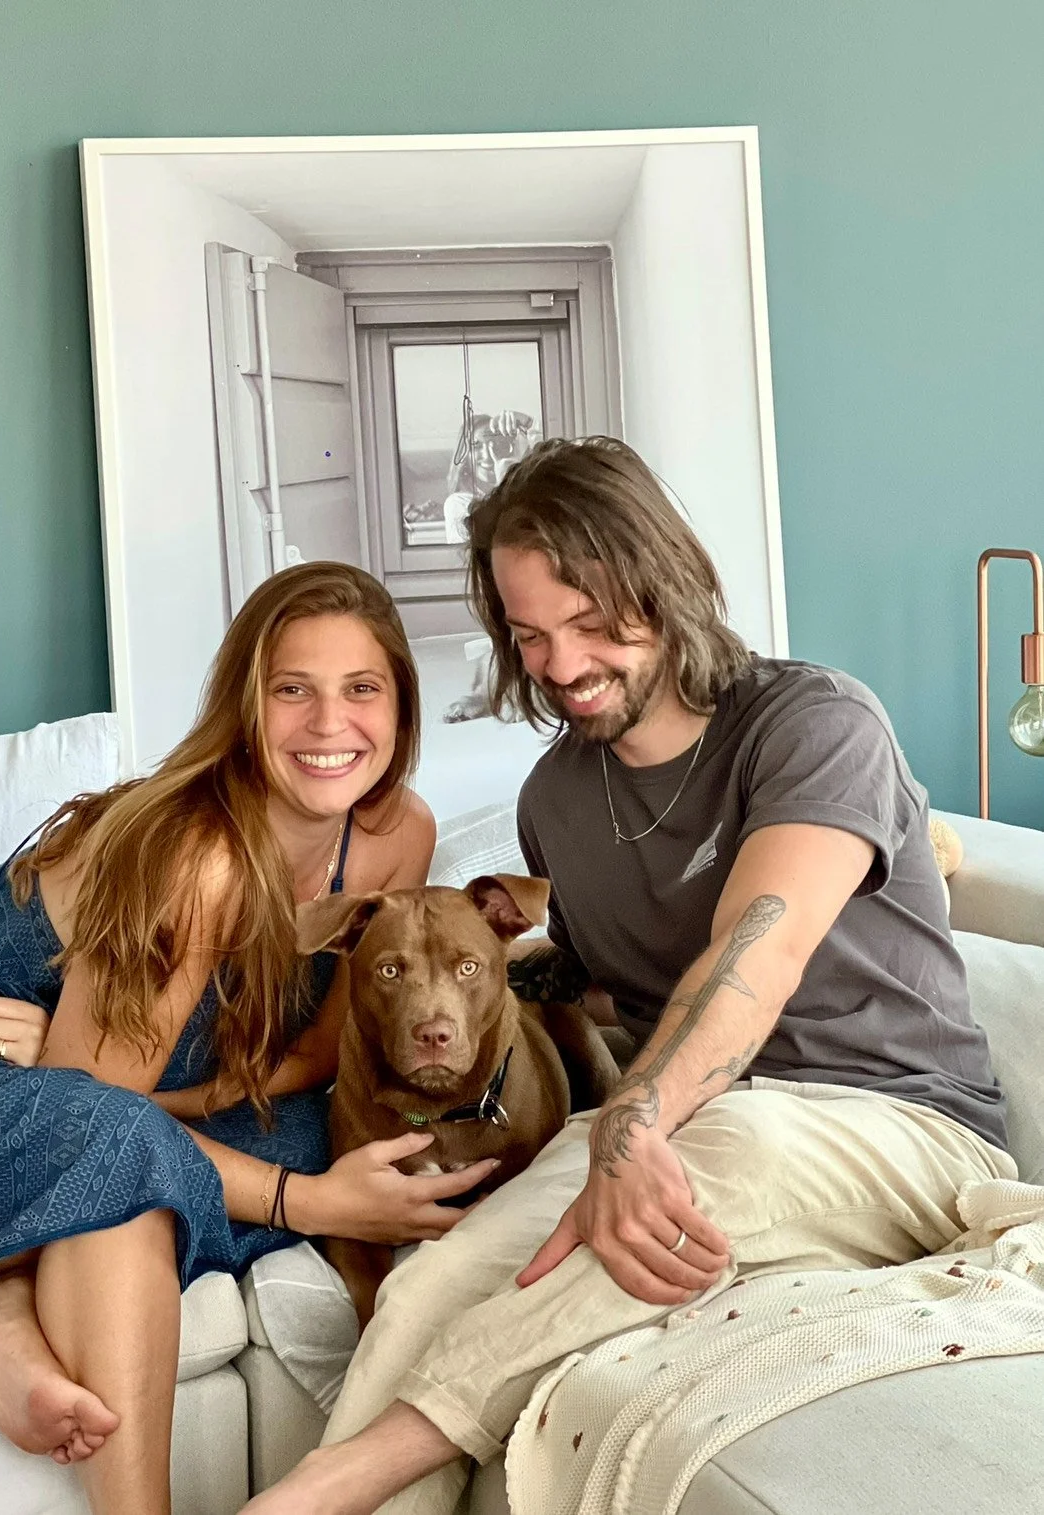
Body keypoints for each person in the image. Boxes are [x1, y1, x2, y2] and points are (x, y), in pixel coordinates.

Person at [244, 438, 1015, 1515]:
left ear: (667, 581)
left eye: (594, 622)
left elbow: (755, 952)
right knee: (439, 1278)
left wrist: (630, 1121)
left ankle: (311, 1495)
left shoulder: (813, 723)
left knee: (708, 1160)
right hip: (691, 1121)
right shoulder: (555, 801)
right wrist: (474, 981)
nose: (562, 665)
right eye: (530, 635)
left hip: (893, 1120)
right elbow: (601, 981)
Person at [0, 562, 499, 1515]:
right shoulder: (197, 859)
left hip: (75, 1094)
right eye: (293, 690)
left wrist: (119, 1086)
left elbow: (316, 1056)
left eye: (362, 689)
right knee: (126, 1159)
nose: (331, 724)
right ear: (246, 707)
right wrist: (312, 1203)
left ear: (400, 707)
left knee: (301, 1129)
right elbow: (97, 1119)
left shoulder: (395, 834)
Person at [440, 408, 539, 545]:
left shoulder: (521, 490)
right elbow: (491, 549)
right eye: (477, 446)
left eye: (495, 444)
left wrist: (529, 423)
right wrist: (505, 485)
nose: (487, 455)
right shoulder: (458, 503)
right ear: (465, 456)